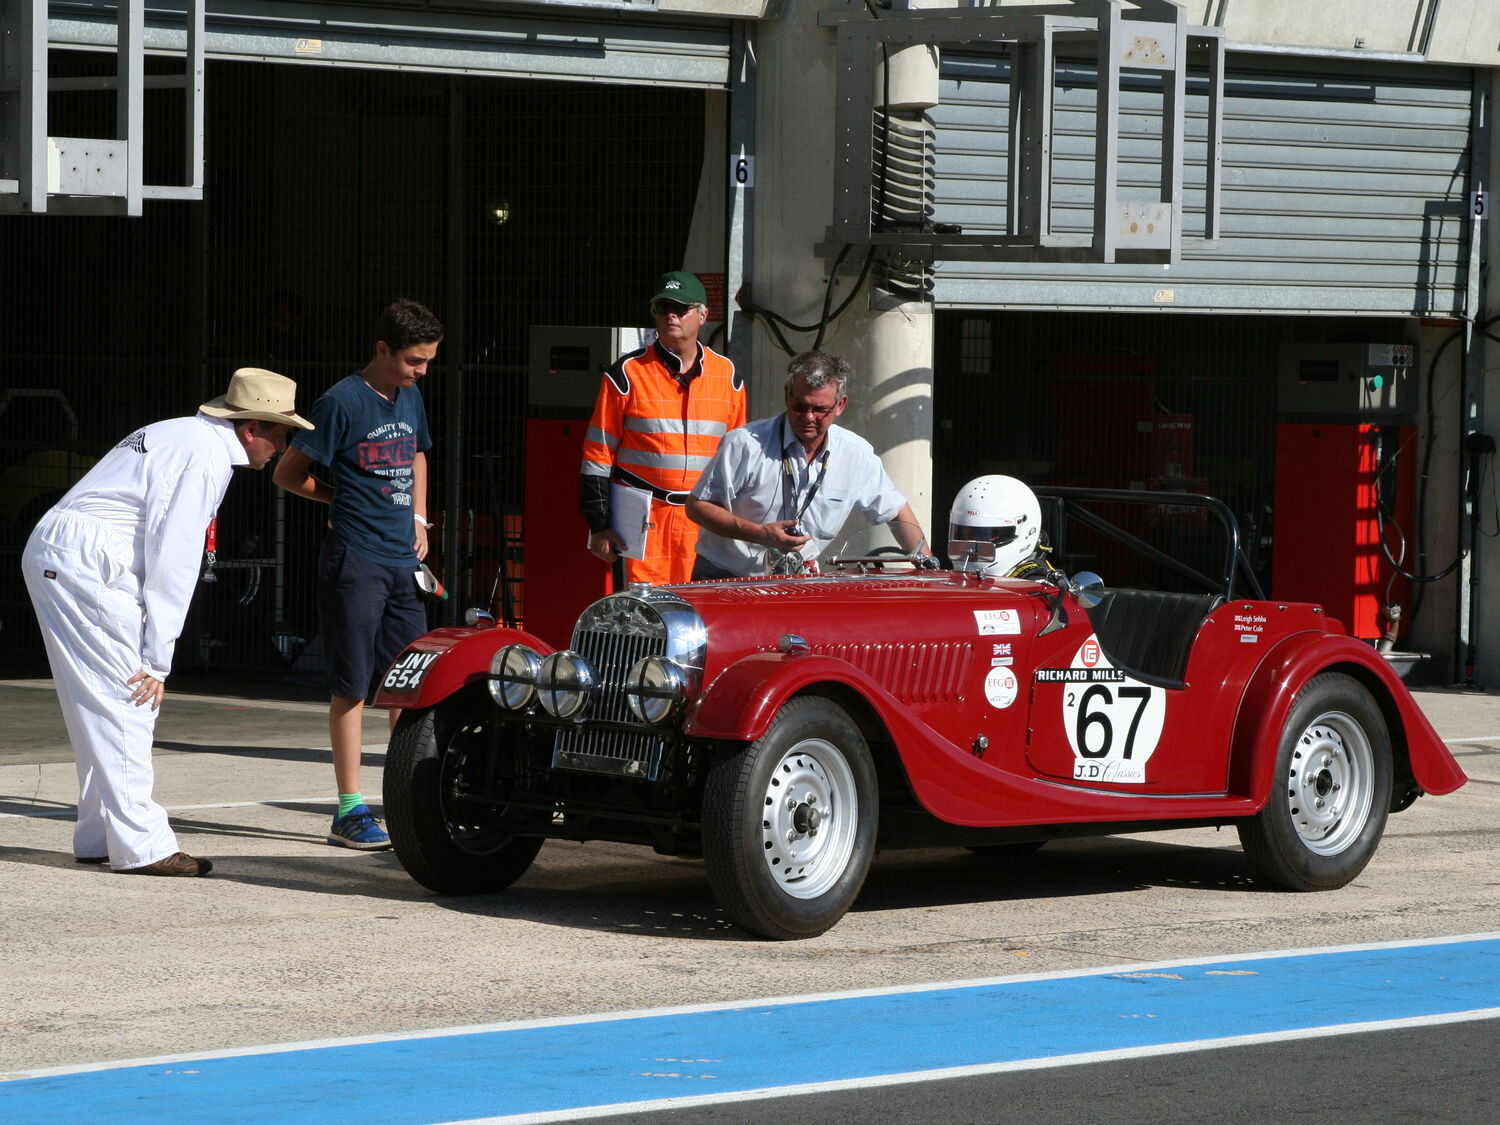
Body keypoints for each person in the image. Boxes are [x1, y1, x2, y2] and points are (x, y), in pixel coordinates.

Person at [22, 368, 312, 876]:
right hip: (88, 561)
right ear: (250, 429)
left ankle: (99, 835)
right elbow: (174, 559)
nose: (282, 446)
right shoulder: (205, 459)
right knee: (129, 701)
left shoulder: (180, 431)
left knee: (97, 702)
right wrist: (158, 660)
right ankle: (144, 847)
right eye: (281, 433)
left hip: (64, 552)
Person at [273, 299, 443, 850]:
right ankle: (349, 809)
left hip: (402, 560)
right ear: (382, 350)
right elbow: (287, 472)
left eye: (428, 361)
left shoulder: (410, 395)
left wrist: (417, 515)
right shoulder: (340, 402)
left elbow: (416, 455)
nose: (421, 371)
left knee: (408, 686)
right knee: (352, 686)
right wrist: (335, 497)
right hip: (356, 560)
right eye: (414, 361)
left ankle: (404, 799)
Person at [687, 350, 933, 578]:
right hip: (727, 577)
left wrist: (929, 567)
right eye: (800, 407)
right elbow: (697, 507)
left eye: (820, 410)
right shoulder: (744, 444)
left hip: (798, 584)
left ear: (840, 405)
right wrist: (763, 535)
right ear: (786, 395)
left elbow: (897, 510)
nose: (808, 418)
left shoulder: (856, 454)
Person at [579, 270, 745, 585]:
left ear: (702, 315)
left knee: (699, 615)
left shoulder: (729, 377)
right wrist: (599, 525)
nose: (671, 315)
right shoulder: (626, 374)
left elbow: (738, 460)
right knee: (643, 617)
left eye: (681, 309)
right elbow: (596, 455)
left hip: (701, 521)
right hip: (641, 521)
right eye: (662, 308)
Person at [946, 474, 1064, 581]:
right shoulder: (950, 580)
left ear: (1025, 532)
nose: (973, 541)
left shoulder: (1040, 586)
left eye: (987, 534)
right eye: (967, 533)